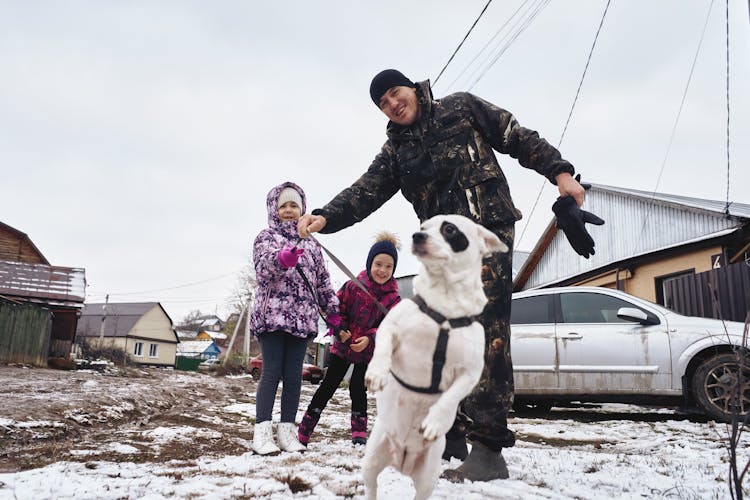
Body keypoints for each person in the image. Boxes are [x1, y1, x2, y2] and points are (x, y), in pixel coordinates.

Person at [297, 69, 587, 481]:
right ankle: (452, 432)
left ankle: (488, 448)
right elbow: (365, 191)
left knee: (484, 331)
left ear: (412, 88)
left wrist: (560, 172)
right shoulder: (395, 151)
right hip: (440, 251)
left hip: (485, 233)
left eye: (396, 94)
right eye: (383, 104)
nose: (393, 105)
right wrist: (325, 216)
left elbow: (516, 136)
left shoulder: (461, 108)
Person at [250, 181, 340, 455]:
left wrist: (334, 312)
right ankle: (262, 432)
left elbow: (323, 282)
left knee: (294, 376)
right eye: (283, 206)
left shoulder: (313, 245)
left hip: (302, 320)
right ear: (274, 210)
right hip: (273, 318)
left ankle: (288, 432)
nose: (289, 210)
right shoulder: (266, 237)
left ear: (302, 209)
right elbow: (263, 267)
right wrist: (282, 259)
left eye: (294, 205)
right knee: (271, 372)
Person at [297, 232, 401, 448]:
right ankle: (304, 430)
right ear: (370, 263)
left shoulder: (393, 298)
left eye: (388, 266)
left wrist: (370, 338)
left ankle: (359, 433)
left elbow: (391, 326)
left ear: (393, 270)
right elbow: (335, 310)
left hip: (368, 351)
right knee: (329, 384)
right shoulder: (353, 286)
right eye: (378, 264)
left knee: (357, 387)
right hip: (343, 347)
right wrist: (340, 329)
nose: (382, 270)